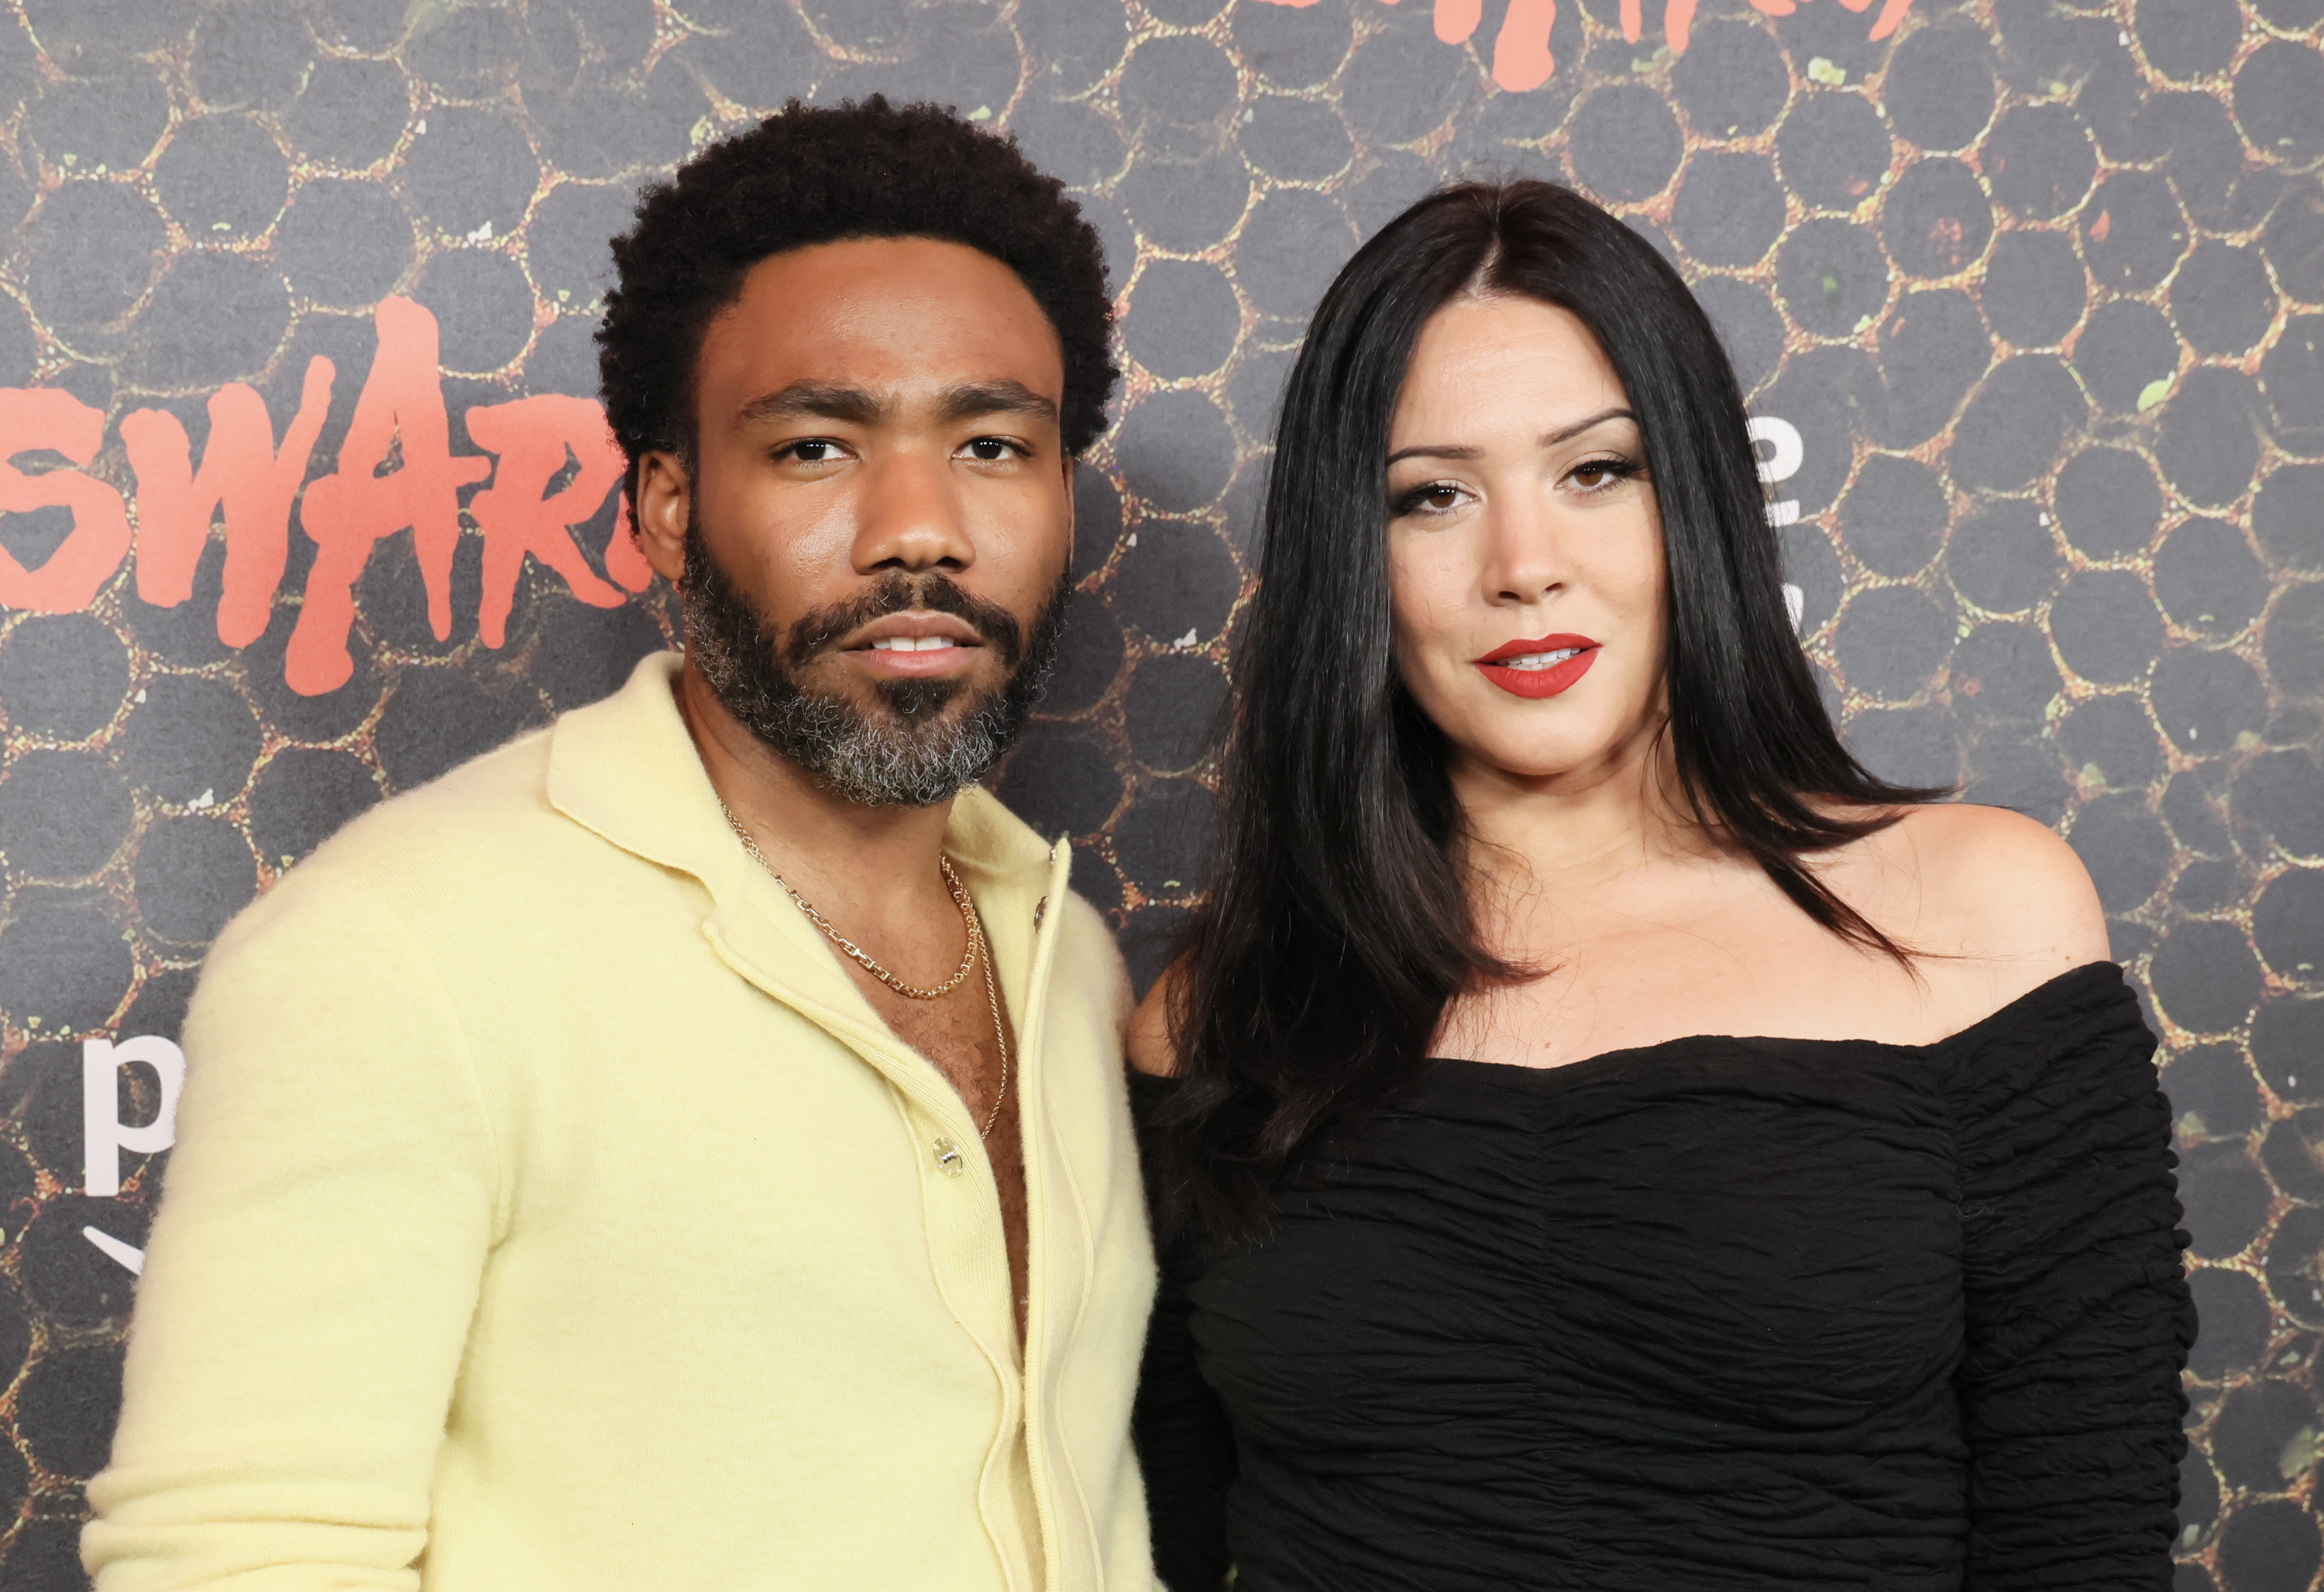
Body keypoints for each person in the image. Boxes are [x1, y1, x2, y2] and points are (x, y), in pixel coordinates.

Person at [86, 99, 1157, 1592]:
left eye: (991, 444)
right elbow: (239, 1561)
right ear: (666, 505)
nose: (919, 527)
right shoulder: (396, 952)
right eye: (814, 448)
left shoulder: (1066, 951)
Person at [1128, 179, 2195, 1590]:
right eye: (1432, 496)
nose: (1526, 567)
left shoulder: (1977, 917)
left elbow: (2081, 1533)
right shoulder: (1217, 1013)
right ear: (1352, 561)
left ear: (1694, 495)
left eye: (1595, 471)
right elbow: (1157, 1533)